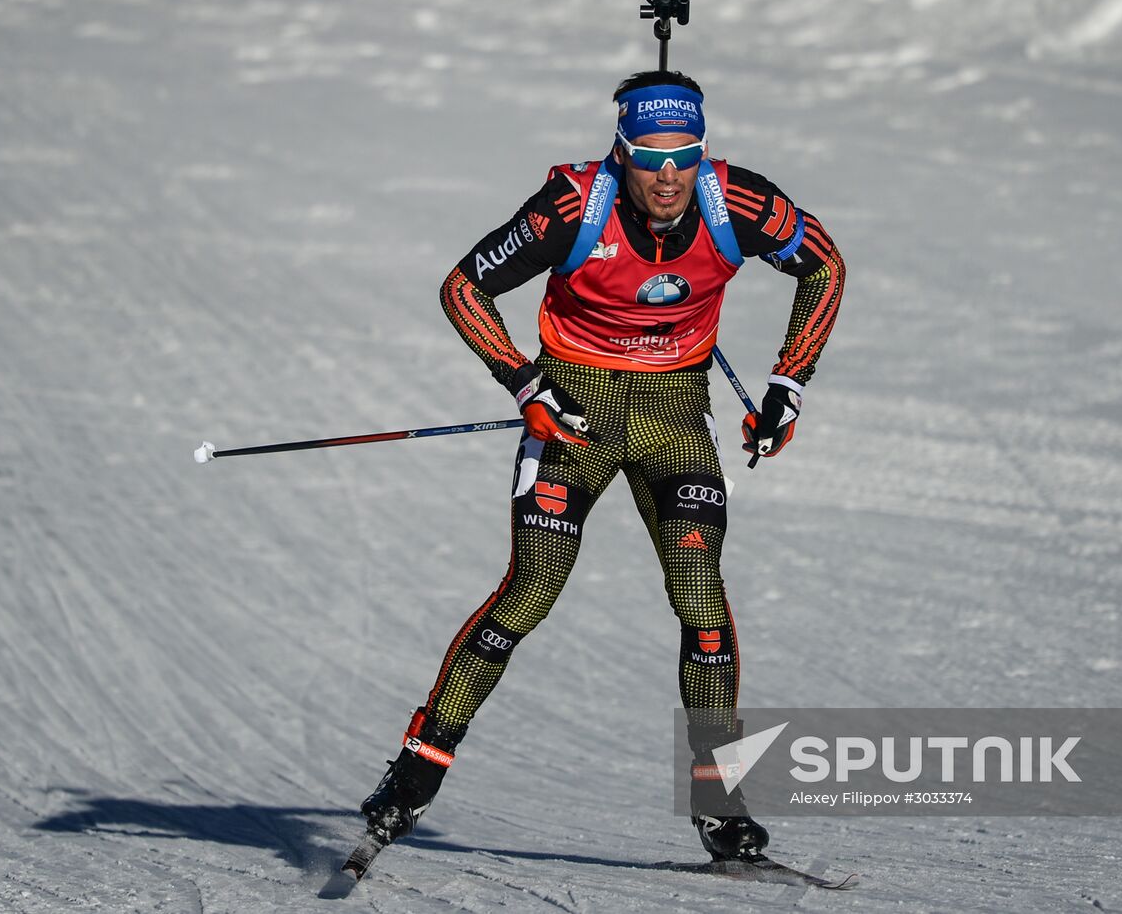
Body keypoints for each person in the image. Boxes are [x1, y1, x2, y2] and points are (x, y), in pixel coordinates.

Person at [359, 70, 844, 861]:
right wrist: (525, 383)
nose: (667, 175)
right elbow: (464, 287)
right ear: (619, 154)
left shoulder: (738, 204)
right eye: (649, 157)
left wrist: (789, 379)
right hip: (575, 408)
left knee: (699, 593)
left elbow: (824, 265)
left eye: (683, 156)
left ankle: (718, 803)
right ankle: (415, 772)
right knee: (531, 591)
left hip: (674, 414)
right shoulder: (572, 206)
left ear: (702, 152)